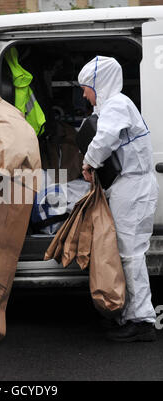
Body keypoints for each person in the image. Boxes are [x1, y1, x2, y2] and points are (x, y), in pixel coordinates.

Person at [78, 56, 158, 342]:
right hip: (130, 185)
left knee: (131, 254)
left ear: (99, 84)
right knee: (127, 253)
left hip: (134, 187)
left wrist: (88, 163)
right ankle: (130, 315)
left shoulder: (116, 105)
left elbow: (106, 138)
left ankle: (143, 321)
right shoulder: (116, 105)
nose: (85, 94)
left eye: (87, 87)